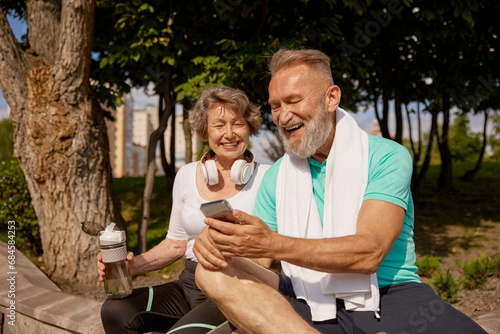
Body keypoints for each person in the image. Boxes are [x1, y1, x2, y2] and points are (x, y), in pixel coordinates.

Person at [193, 49, 487, 334]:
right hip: (305, 298)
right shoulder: (279, 176)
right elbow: (258, 260)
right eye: (276, 106)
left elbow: (369, 252)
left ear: (331, 98)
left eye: (293, 101)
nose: (283, 116)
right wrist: (224, 247)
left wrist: (271, 244)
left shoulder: (386, 156)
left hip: (388, 296)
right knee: (209, 271)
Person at [97, 85, 271, 334]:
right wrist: (132, 266)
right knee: (114, 311)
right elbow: (176, 244)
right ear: (204, 131)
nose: (229, 134)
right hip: (188, 283)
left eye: (238, 123)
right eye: (219, 125)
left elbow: (270, 252)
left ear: (250, 127)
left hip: (235, 287)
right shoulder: (187, 174)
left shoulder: (268, 177)